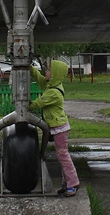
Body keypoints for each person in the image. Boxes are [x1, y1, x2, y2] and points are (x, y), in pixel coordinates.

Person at [29, 59, 80, 196]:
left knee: (63, 155)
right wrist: (30, 68)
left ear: (55, 74)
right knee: (61, 155)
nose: (46, 71)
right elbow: (39, 79)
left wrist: (26, 105)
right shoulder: (51, 85)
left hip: (59, 127)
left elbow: (39, 103)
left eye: (48, 70)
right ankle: (66, 183)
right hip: (57, 126)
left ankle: (73, 183)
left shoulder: (53, 92)